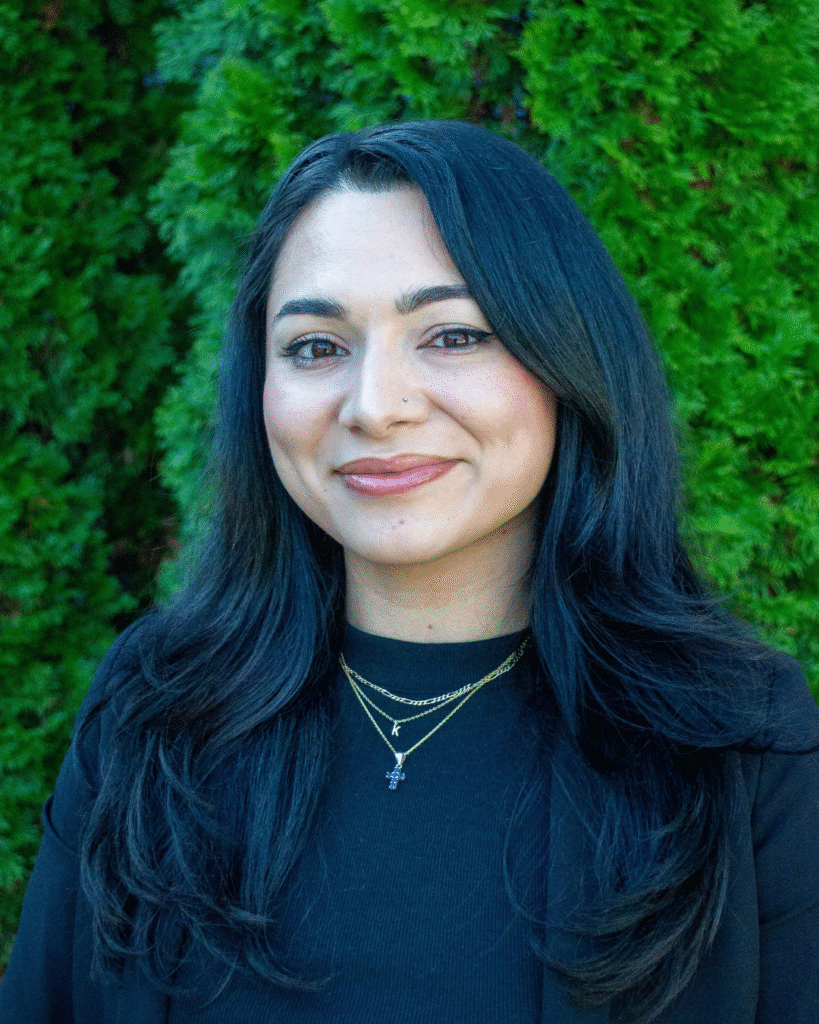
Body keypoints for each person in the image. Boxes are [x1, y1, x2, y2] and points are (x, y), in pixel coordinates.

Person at [1, 120, 818, 1024]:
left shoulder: (736, 740)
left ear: (569, 362)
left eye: (452, 335)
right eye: (316, 347)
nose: (374, 406)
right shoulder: (152, 712)